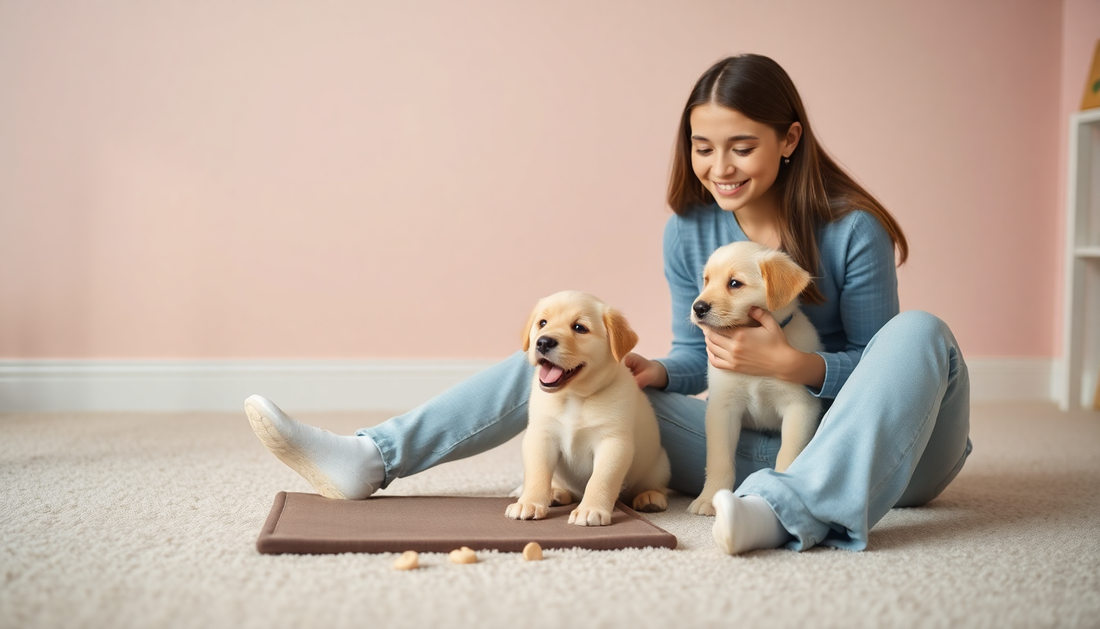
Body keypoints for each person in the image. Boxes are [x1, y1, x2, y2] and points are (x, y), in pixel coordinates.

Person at [245, 53, 972, 555]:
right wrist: (657, 371)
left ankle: (789, 510)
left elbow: (886, 372)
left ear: (789, 140)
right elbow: (697, 357)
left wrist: (795, 364)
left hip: (890, 450)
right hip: (754, 447)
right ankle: (371, 458)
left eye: (741, 147)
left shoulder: (851, 229)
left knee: (921, 332)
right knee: (566, 360)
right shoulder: (690, 232)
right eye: (702, 147)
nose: (719, 167)